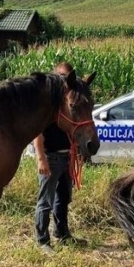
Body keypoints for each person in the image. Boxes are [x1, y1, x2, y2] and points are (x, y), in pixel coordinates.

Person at [34, 61, 86, 252]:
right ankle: (42, 240)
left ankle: (62, 234)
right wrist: (41, 158)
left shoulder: (69, 104)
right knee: (45, 201)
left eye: (69, 77)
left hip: (67, 158)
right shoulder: (47, 105)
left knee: (63, 198)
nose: (66, 81)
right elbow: (37, 133)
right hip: (50, 157)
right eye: (63, 77)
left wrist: (77, 153)